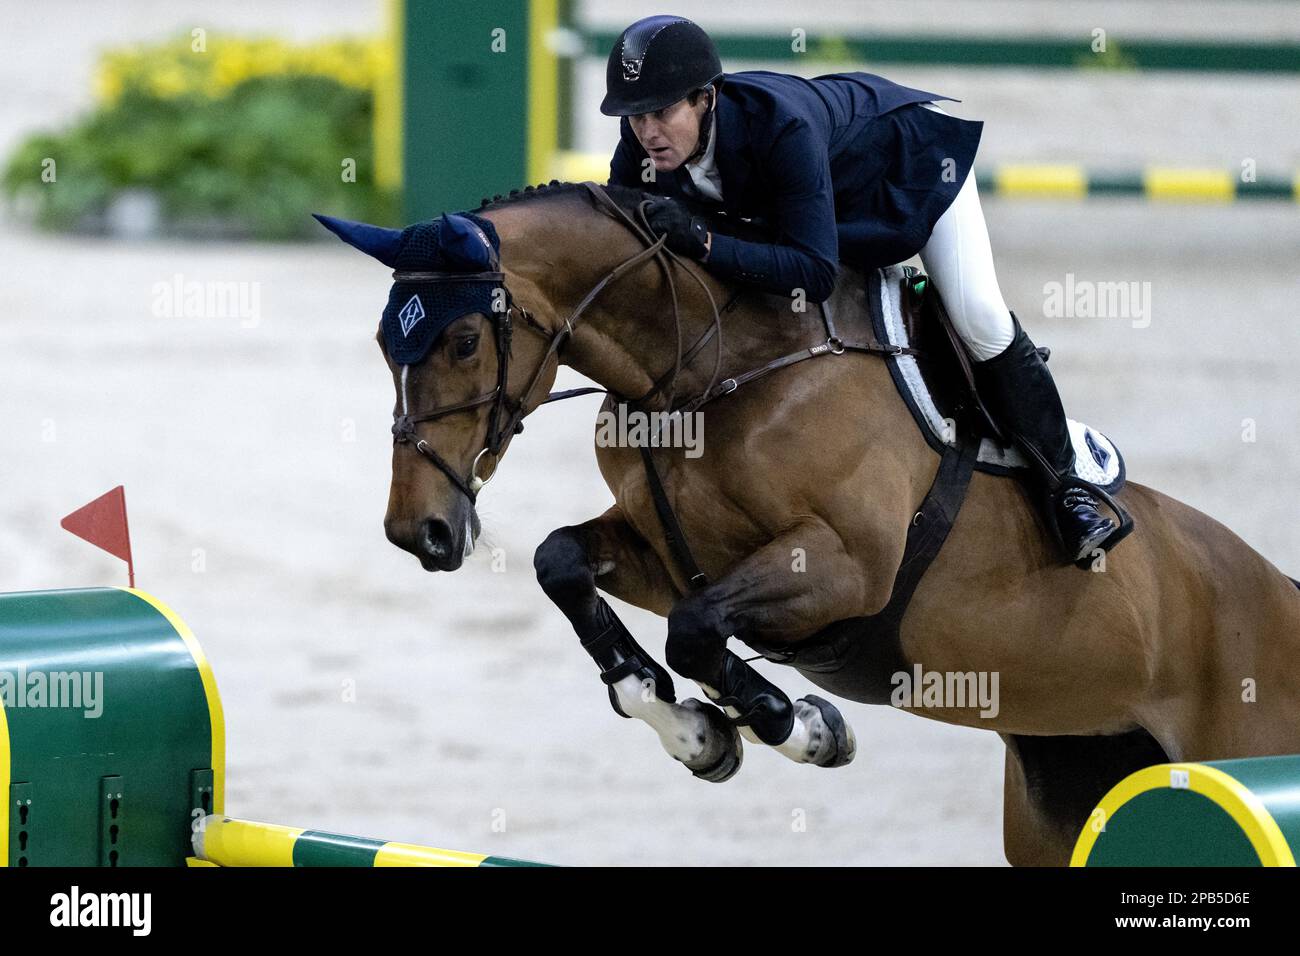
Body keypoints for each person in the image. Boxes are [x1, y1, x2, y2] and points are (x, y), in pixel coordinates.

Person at [602, 14, 1119, 565]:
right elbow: (620, 233)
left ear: (704, 99)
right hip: (809, 208)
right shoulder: (643, 149)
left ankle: (1068, 489)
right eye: (635, 117)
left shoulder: (780, 126)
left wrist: (705, 243)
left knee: (979, 317)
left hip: (910, 172)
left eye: (661, 113)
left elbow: (815, 271)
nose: (647, 131)